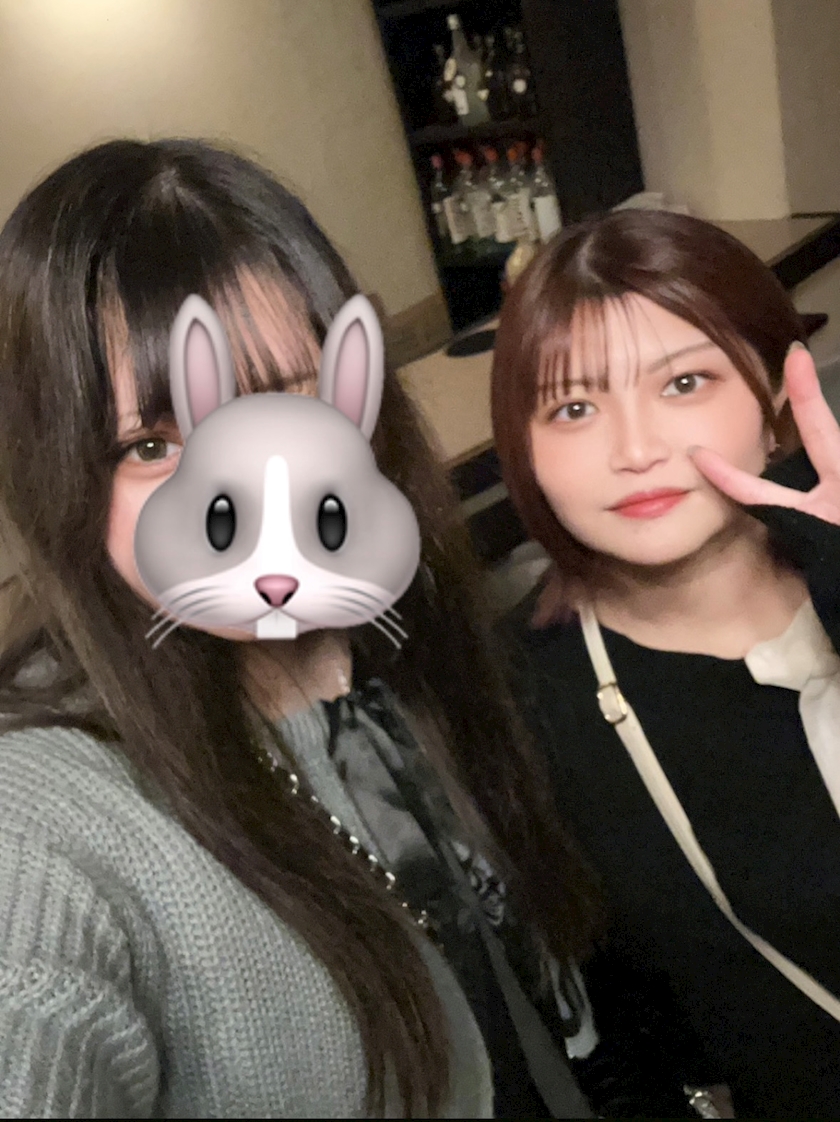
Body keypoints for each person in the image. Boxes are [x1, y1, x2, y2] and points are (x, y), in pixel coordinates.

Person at [0, 139, 603, 1118]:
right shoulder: (49, 811)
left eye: (288, 398)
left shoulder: (424, 639)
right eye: (152, 444)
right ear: (62, 481)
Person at [492, 207, 840, 1117]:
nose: (635, 450)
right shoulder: (517, 703)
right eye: (574, 407)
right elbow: (608, 1031)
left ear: (777, 394)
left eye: (684, 382)